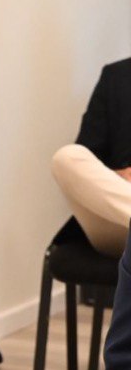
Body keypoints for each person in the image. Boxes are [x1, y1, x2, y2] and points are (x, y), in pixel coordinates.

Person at [52, 58, 131, 256]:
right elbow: (89, 159)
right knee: (67, 157)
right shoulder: (117, 76)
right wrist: (119, 176)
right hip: (118, 220)